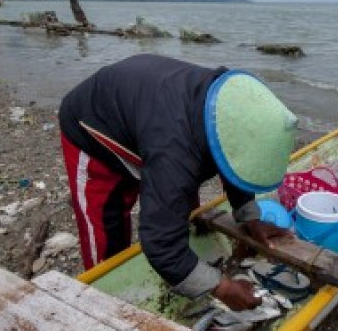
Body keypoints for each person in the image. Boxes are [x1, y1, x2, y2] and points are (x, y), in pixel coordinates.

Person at [58, 54, 298, 310]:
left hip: (148, 115)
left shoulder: (229, 103)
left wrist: (249, 216)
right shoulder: (175, 154)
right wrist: (224, 288)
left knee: (176, 206)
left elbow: (237, 160)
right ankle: (99, 303)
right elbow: (159, 243)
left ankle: (187, 272)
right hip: (92, 123)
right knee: (108, 222)